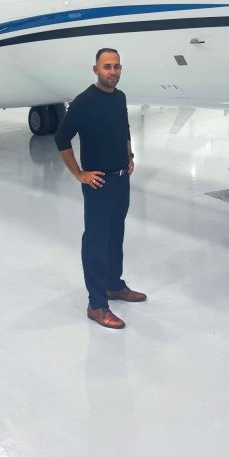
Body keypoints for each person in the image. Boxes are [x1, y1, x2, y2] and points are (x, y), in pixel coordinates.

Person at [55, 48, 146, 329]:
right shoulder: (85, 101)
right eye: (107, 66)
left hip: (121, 178)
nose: (112, 71)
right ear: (96, 70)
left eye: (117, 66)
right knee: (95, 242)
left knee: (115, 235)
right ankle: (96, 304)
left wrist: (129, 156)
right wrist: (79, 174)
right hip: (99, 183)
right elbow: (61, 137)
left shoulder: (120, 97)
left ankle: (113, 285)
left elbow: (124, 129)